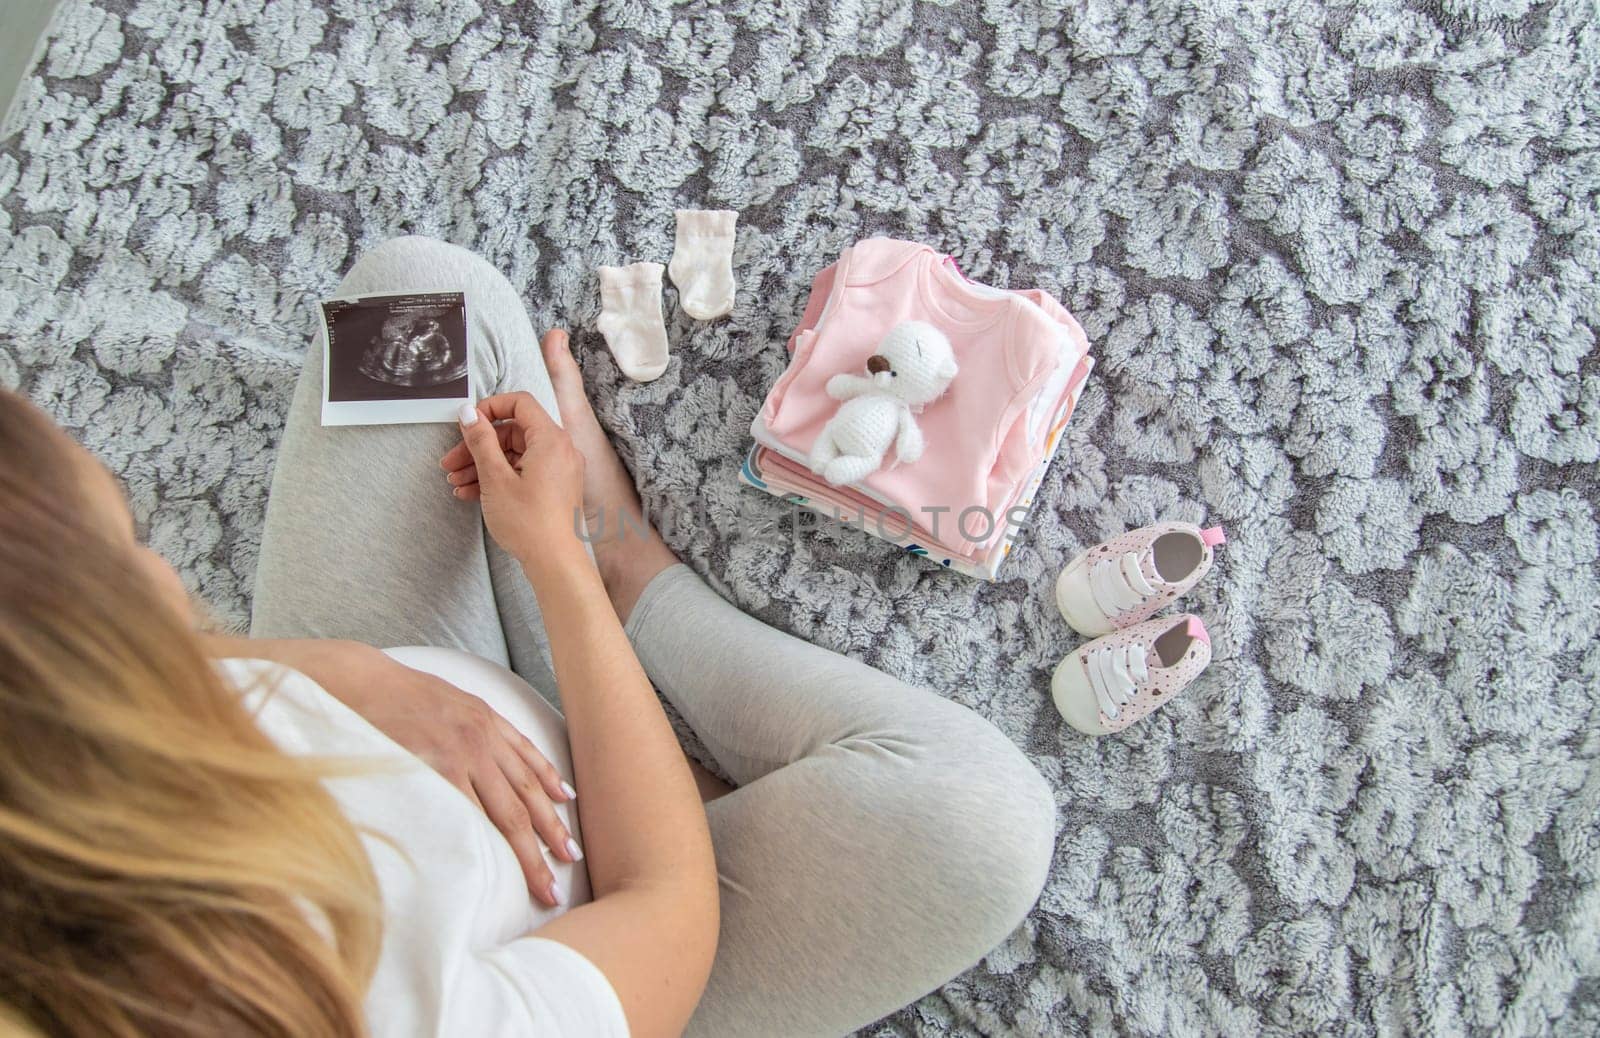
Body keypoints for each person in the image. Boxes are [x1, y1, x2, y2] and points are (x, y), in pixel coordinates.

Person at [0, 236, 1057, 1037]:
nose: (166, 575)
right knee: (979, 826)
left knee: (414, 298)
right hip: (615, 917)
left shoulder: (36, 769)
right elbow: (666, 907)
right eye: (128, 559)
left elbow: (143, 657)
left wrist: (350, 674)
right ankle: (636, 574)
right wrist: (567, 558)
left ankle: (595, 635)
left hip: (431, 700)